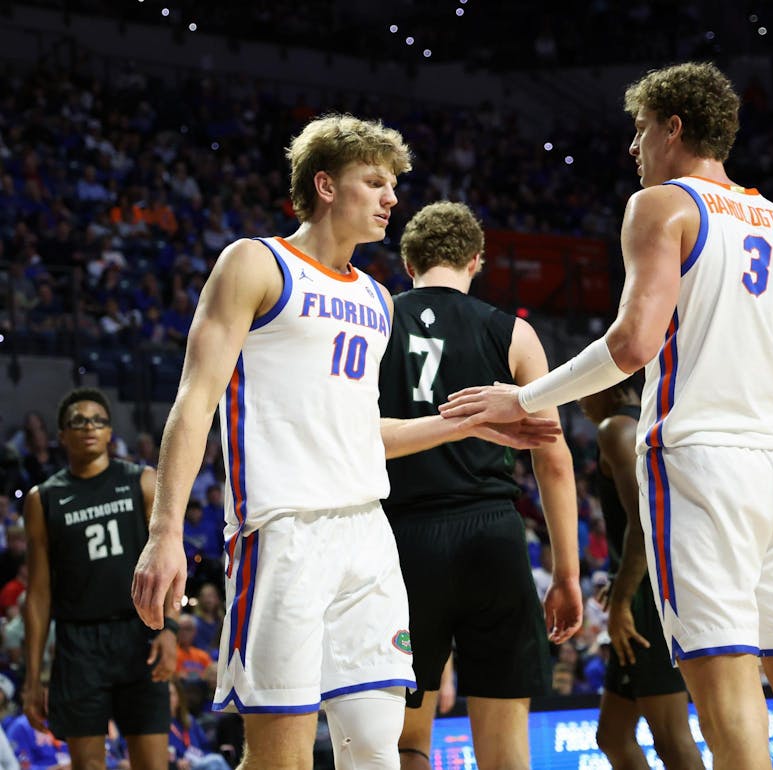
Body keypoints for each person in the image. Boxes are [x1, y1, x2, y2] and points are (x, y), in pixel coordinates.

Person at [440, 62, 773, 769]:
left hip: (703, 465)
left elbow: (632, 345)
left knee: (728, 696)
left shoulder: (663, 206)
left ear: (673, 128)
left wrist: (525, 397)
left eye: (639, 131)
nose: (633, 148)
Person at [130, 114, 559, 770]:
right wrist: (165, 532)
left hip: (369, 538)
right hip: (283, 532)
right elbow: (194, 402)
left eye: (394, 185)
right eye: (376, 182)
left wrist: (470, 422)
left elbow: (366, 434)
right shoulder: (256, 263)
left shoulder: (377, 298)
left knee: (379, 754)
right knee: (281, 759)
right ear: (326, 186)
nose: (392, 198)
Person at [376, 201, 583, 770]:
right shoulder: (512, 332)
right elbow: (554, 459)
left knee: (404, 742)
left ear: (409, 260)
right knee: (505, 751)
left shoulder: (374, 323)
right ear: (477, 260)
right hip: (491, 538)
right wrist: (567, 574)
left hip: (400, 542)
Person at [23, 387, 175, 770]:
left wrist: (169, 627)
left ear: (110, 432)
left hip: (140, 636)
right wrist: (31, 677)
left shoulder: (141, 481)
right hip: (78, 645)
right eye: (78, 421)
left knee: (153, 765)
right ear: (61, 436)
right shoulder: (44, 499)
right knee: (88, 766)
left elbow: (167, 562)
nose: (89, 426)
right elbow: (38, 594)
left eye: (98, 420)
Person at [579, 378, 703, 770]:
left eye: (586, 386)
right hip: (647, 585)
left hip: (649, 597)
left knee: (671, 738)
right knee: (613, 736)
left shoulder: (616, 428)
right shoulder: (654, 421)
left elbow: (643, 524)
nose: (581, 400)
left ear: (611, 386)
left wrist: (622, 599)